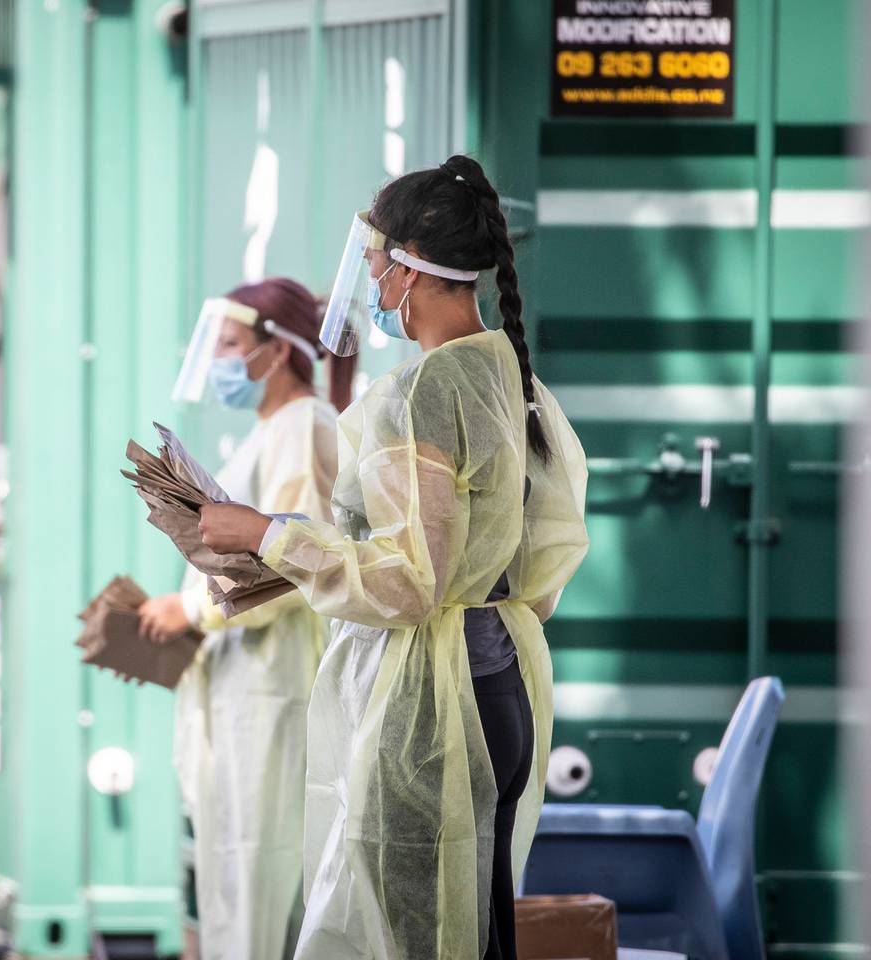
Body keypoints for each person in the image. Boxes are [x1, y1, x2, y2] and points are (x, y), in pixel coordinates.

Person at [197, 157, 589, 959]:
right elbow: (538, 568)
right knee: (479, 934)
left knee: (410, 940)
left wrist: (264, 536)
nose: (371, 288)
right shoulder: (509, 374)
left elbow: (410, 583)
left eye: (376, 267)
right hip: (502, 690)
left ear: (412, 267)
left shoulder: (420, 395)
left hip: (429, 714)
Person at [139, 277, 352, 960]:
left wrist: (191, 609)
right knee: (234, 876)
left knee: (260, 878)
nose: (222, 360)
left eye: (233, 345)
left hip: (272, 690)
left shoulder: (303, 427)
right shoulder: (272, 431)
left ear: (277, 350)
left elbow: (296, 561)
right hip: (244, 690)